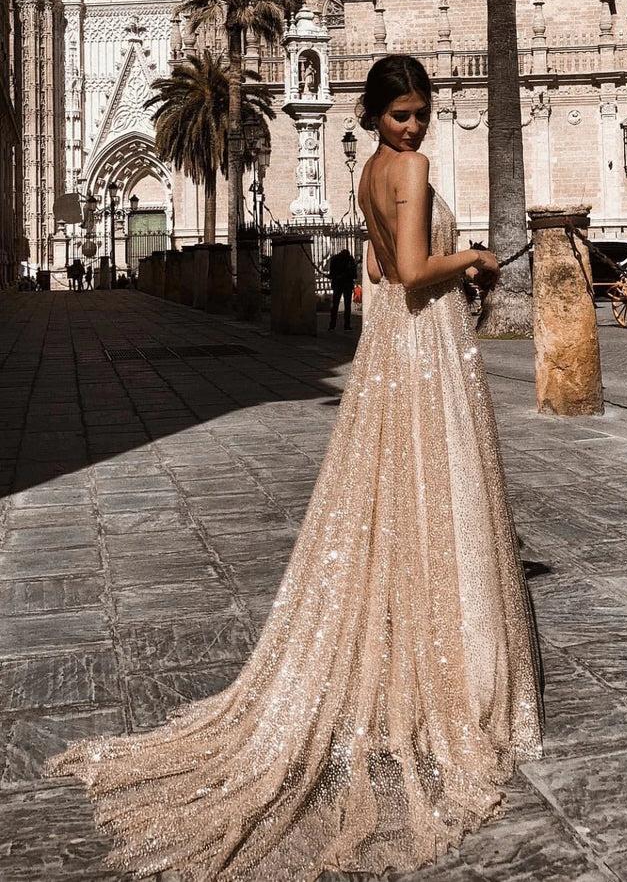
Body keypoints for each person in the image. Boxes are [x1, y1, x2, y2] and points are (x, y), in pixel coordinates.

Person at [46, 54, 544, 881]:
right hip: (424, 346)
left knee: (396, 488)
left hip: (387, 349)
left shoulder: (368, 174)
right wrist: (475, 259)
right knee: (438, 484)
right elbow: (411, 271)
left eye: (421, 113)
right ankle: (449, 662)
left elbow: (376, 267)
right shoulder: (412, 170)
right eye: (402, 114)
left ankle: (414, 637)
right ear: (376, 114)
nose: (415, 126)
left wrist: (430, 255)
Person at [328, 247, 357, 330]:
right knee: (346, 306)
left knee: (335, 305)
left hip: (338, 284)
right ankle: (346, 325)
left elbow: (332, 272)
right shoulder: (349, 260)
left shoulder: (335, 259)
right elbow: (354, 275)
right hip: (346, 285)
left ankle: (332, 324)